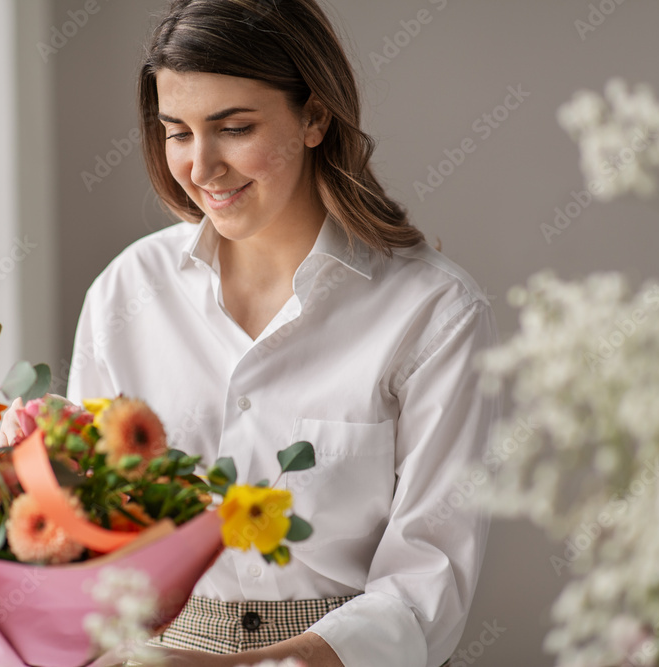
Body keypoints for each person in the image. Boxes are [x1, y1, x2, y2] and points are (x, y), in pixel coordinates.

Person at [60, 1, 500, 664]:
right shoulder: (127, 292)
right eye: (177, 131)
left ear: (315, 116)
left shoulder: (435, 312)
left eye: (233, 128)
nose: (201, 166)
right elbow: (87, 538)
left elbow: (426, 582)